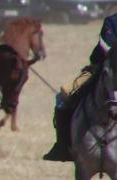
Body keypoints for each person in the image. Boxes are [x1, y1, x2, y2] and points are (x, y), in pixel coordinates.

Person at [43, 12, 117, 161]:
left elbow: (103, 49)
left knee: (62, 100)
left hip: (104, 69)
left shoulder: (112, 21)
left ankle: (63, 148)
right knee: (62, 97)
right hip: (107, 70)